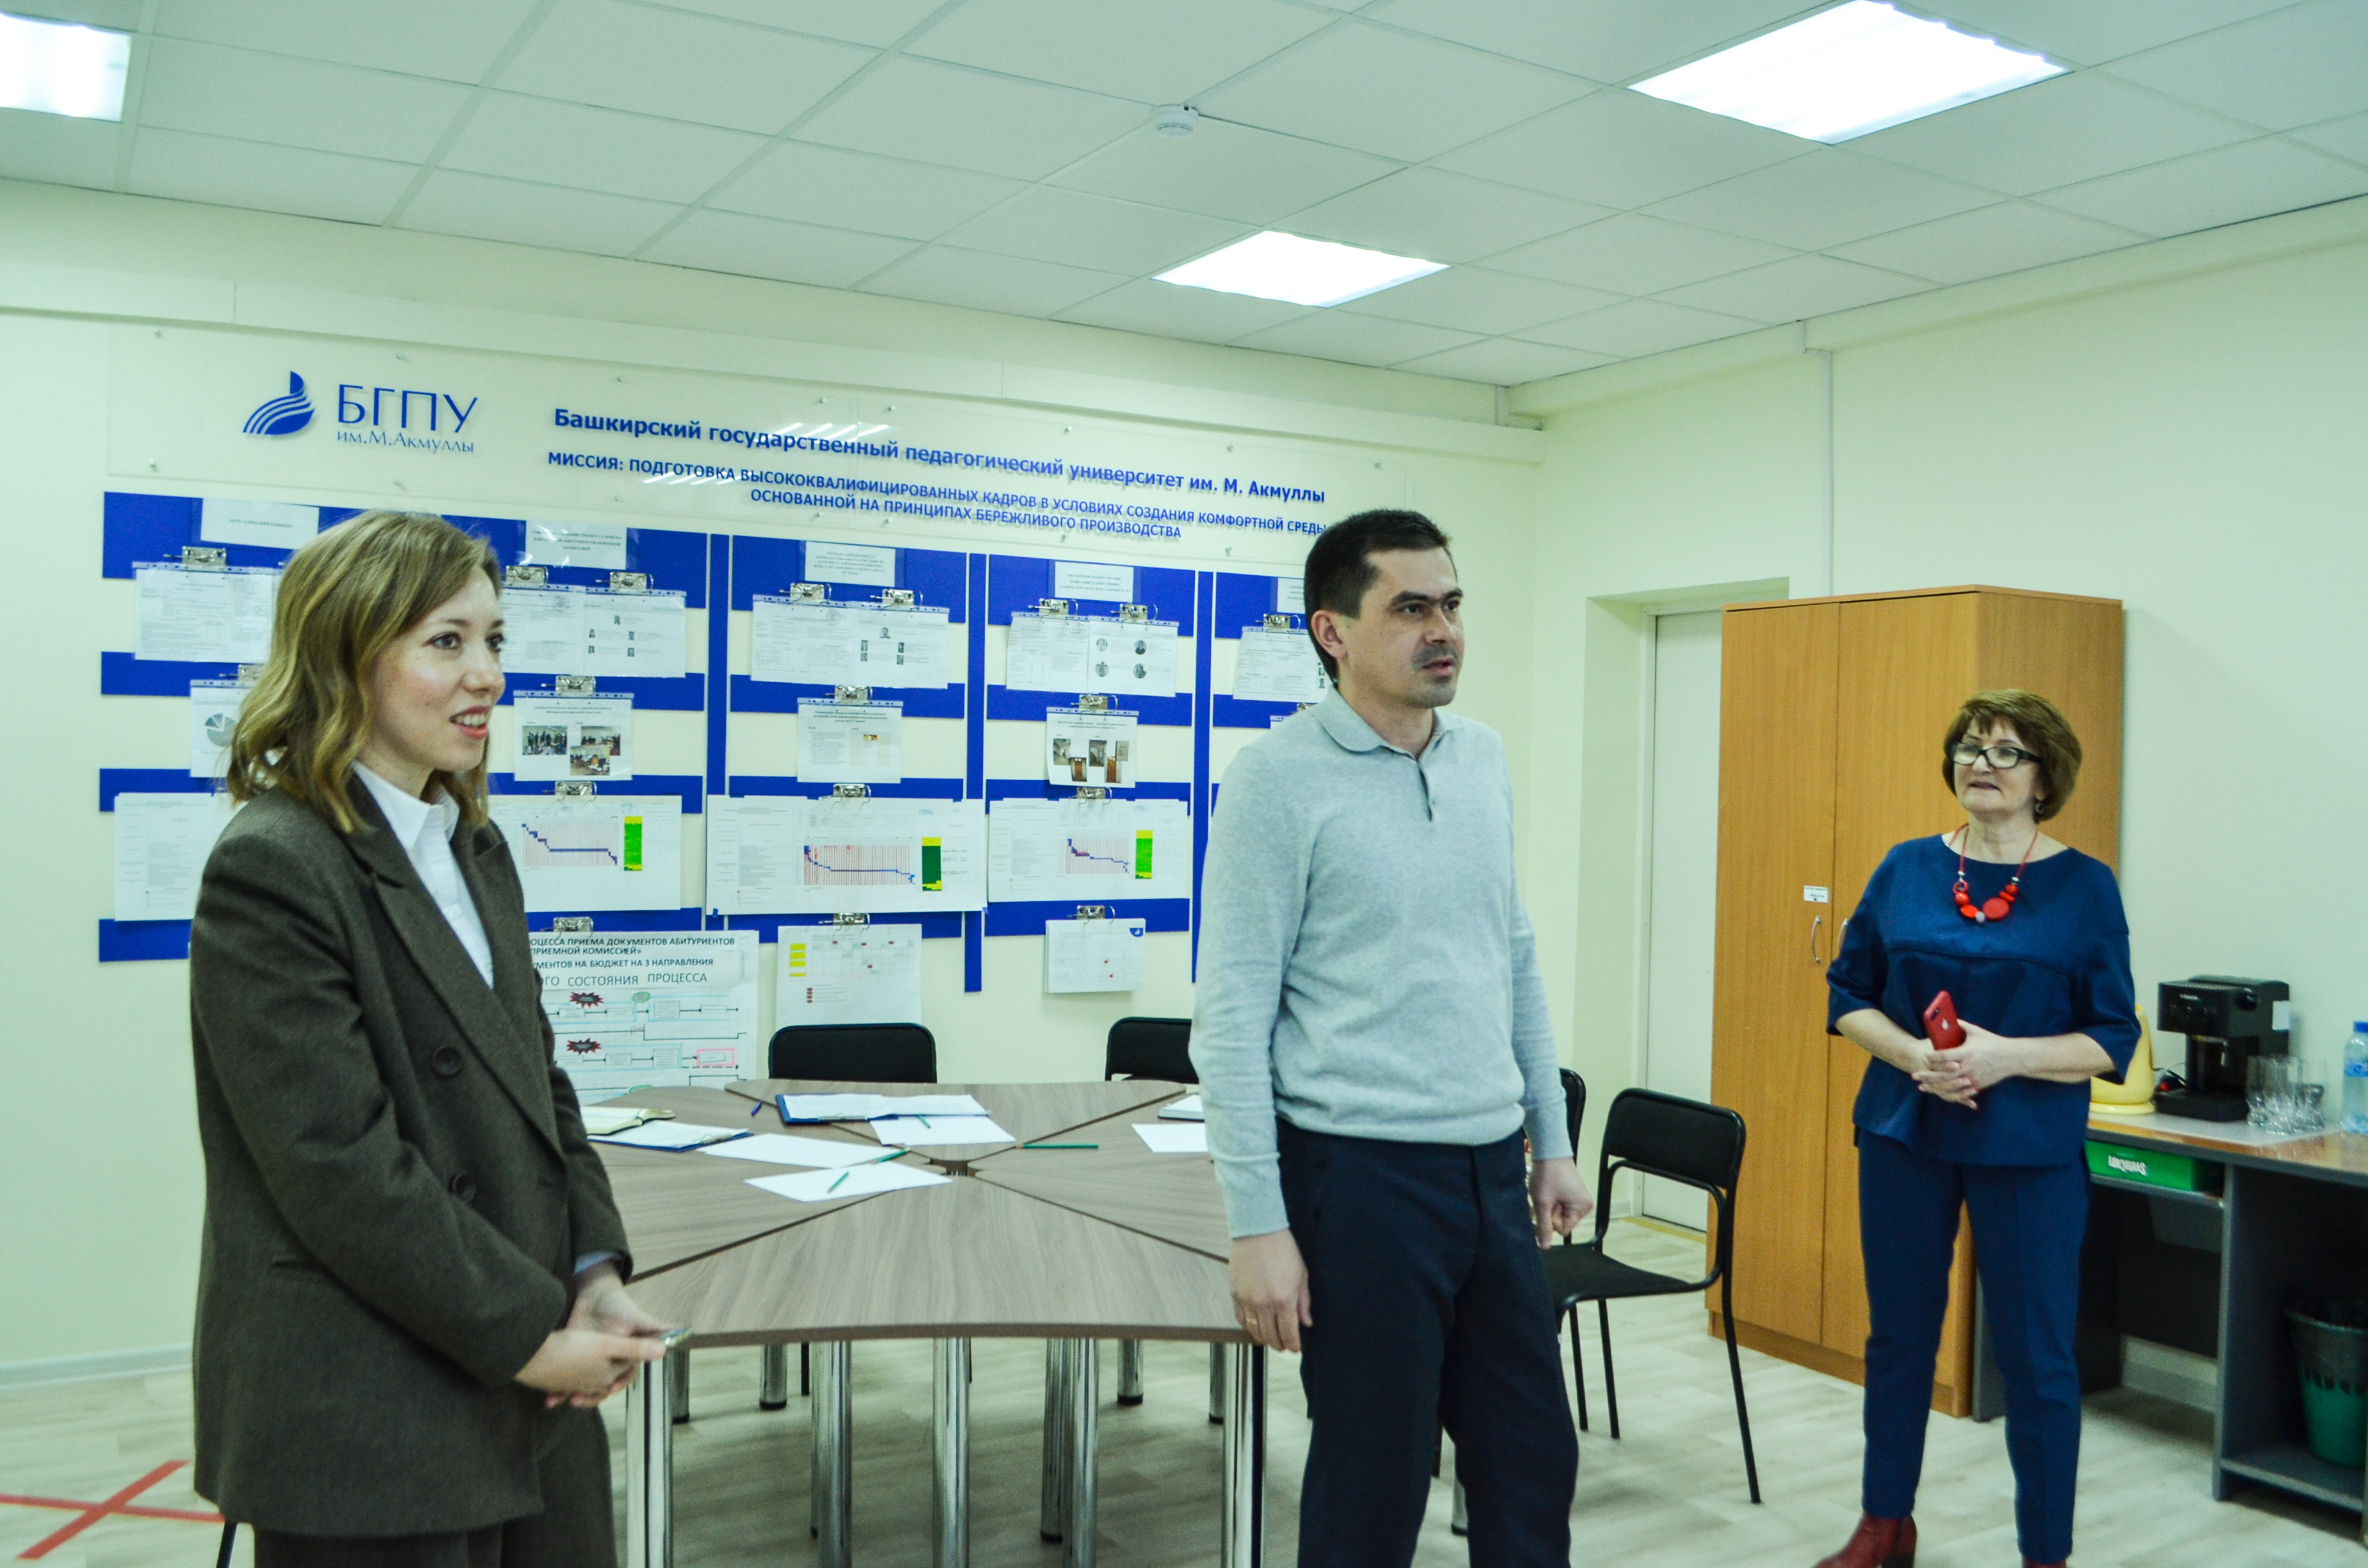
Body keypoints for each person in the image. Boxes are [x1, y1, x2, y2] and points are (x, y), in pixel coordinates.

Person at [188, 510, 670, 1567]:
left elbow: (541, 1084)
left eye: (494, 639)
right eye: (446, 642)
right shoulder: (275, 864)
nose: (486, 674)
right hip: (374, 1408)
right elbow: (337, 1166)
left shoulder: (473, 845)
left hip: (529, 1381)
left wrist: (593, 1272)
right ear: (346, 658)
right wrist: (532, 1337)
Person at [1193, 509, 1591, 1567]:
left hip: (1490, 1173)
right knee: (1374, 1486)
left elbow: (1511, 956)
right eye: (1411, 608)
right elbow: (1231, 1014)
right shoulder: (1276, 779)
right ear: (1332, 631)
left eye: (1451, 604)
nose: (1443, 630)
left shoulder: (1482, 758)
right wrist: (1257, 1225)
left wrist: (1550, 1141)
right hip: (1359, 1181)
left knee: (1532, 1463)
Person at [1818, 690, 2139, 1568]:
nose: (1980, 764)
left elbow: (2112, 1037)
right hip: (1904, 1134)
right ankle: (1886, 1525)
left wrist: (2004, 1058)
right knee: (1899, 1340)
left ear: (2045, 779)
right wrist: (1912, 1055)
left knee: (2037, 1360)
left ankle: (2046, 1553)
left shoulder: (2085, 888)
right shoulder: (1906, 868)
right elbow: (1848, 994)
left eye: (2004, 752)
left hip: (2027, 1152)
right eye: (1968, 747)